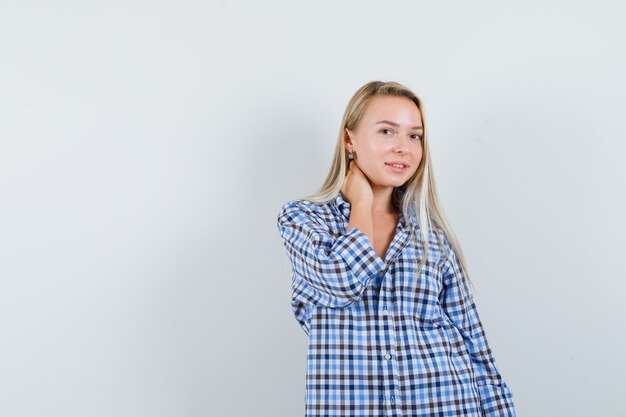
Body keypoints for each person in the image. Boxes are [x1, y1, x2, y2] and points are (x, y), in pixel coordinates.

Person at [276, 80, 516, 416]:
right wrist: (361, 201)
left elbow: (474, 344)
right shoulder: (303, 220)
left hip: (448, 404)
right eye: (387, 132)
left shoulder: (431, 235)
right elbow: (343, 281)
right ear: (350, 140)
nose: (403, 147)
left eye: (414, 135)